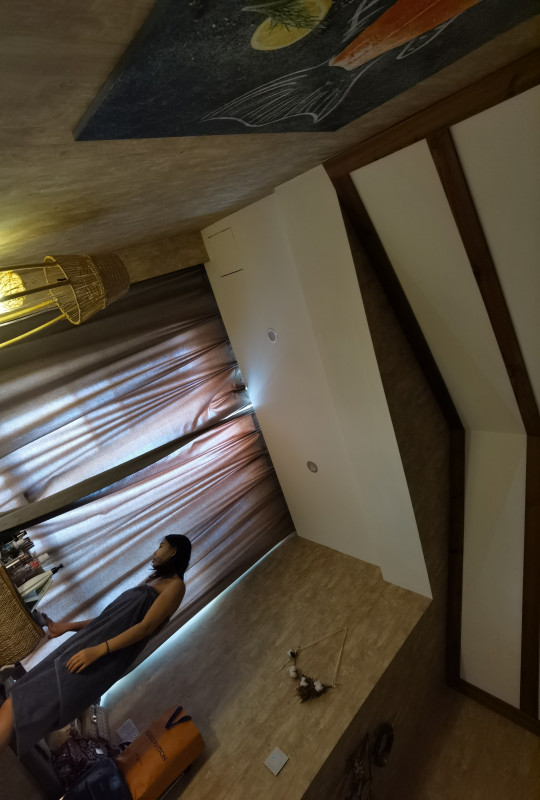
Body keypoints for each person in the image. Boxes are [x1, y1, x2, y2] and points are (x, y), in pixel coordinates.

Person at [0, 534, 191, 756]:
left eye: (161, 546)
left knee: (16, 705)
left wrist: (99, 650)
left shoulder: (176, 587)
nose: (155, 552)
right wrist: (66, 627)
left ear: (173, 551)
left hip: (97, 660)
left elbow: (145, 628)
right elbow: (108, 620)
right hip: (83, 648)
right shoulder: (153, 581)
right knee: (18, 705)